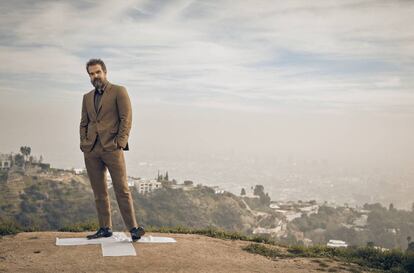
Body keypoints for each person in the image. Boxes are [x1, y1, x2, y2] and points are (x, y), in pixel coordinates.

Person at [79, 58, 145, 242]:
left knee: (122, 189)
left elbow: (126, 118)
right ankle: (105, 228)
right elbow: (84, 122)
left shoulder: (119, 91)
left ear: (105, 72)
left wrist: (120, 143)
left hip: (112, 148)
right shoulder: (86, 97)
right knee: (99, 191)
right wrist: (83, 143)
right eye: (91, 74)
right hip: (91, 150)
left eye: (97, 72)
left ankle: (133, 228)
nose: (95, 76)